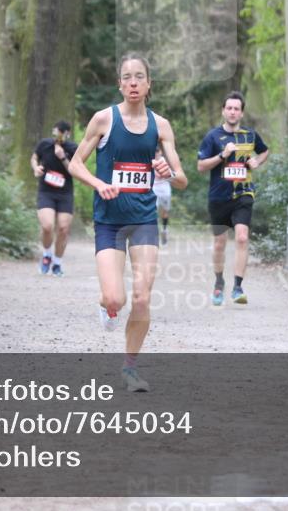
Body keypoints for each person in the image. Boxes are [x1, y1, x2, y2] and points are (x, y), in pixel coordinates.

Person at [67, 54, 187, 392]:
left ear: (149, 84)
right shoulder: (103, 120)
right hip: (109, 221)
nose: (133, 83)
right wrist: (98, 184)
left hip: (144, 220)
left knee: (143, 297)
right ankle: (107, 306)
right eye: (126, 77)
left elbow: (182, 180)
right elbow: (76, 164)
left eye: (139, 77)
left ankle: (130, 368)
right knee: (115, 298)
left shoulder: (160, 126)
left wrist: (169, 172)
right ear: (119, 84)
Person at [197, 91, 269, 306]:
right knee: (219, 244)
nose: (232, 112)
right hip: (219, 197)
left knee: (242, 237)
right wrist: (222, 155)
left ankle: (238, 287)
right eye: (229, 108)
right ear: (223, 111)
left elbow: (265, 151)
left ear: (241, 113)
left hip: (243, 194)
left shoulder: (250, 135)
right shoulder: (212, 137)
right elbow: (200, 166)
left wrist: (257, 160)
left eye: (236, 109)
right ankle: (219, 283)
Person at [31, 120, 78, 276]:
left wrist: (63, 157)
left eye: (60, 134)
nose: (56, 136)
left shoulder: (72, 148)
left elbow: (75, 171)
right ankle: (46, 255)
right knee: (47, 226)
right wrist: (36, 168)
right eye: (54, 133)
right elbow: (34, 158)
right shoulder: (44, 144)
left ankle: (57, 263)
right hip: (46, 191)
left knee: (63, 229)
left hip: (65, 193)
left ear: (67, 134)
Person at [152, 145, 173, 245]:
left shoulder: (165, 161)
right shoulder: (150, 160)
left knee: (165, 212)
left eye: (158, 151)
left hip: (165, 189)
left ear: (161, 152)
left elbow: (167, 174)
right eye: (155, 152)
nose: (156, 154)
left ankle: (164, 230)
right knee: (153, 211)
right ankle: (154, 233)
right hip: (154, 188)